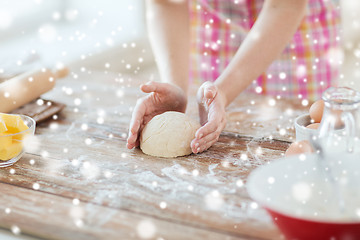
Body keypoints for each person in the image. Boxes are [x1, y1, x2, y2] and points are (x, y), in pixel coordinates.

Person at [127, 0, 341, 154]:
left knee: (300, 144)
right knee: (226, 143)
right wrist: (176, 87)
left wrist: (225, 91)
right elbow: (168, 3)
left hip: (294, 45)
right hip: (218, 38)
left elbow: (285, 5)